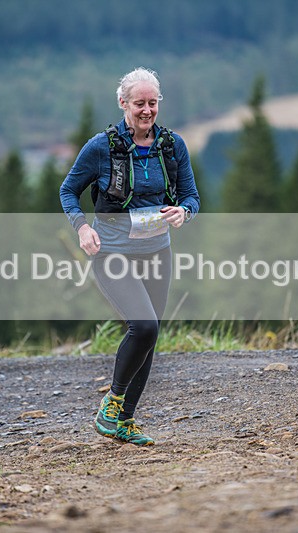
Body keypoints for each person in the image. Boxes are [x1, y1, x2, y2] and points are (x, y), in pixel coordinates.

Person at [59, 67, 200, 446]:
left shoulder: (172, 146)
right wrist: (82, 227)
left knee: (148, 337)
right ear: (123, 103)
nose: (147, 110)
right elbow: (68, 190)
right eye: (139, 103)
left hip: (157, 251)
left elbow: (191, 196)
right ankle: (113, 402)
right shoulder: (101, 147)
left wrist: (183, 212)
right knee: (145, 327)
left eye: (153, 103)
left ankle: (124, 421)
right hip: (112, 251)